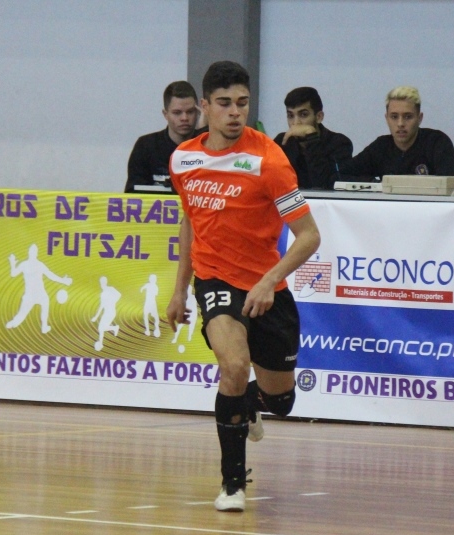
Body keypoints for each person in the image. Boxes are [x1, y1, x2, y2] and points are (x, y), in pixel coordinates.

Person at [166, 60, 321, 512]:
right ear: (204, 106)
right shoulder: (183, 159)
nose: (235, 112)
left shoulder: (269, 161)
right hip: (215, 278)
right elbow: (190, 222)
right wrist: (180, 289)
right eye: (224, 104)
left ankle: (251, 403)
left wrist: (270, 281)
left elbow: (309, 236)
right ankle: (232, 483)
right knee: (233, 366)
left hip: (265, 286)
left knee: (282, 400)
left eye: (242, 103)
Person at [338, 85, 454, 181]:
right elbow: (340, 174)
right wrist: (376, 184)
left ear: (419, 118)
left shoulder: (437, 143)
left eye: (408, 117)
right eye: (394, 117)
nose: (400, 123)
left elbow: (453, 185)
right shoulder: (380, 147)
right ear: (386, 118)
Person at [124, 81, 201, 193]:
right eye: (177, 113)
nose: (184, 118)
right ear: (165, 114)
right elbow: (132, 195)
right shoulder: (145, 146)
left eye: (190, 112)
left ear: (198, 113)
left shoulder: (209, 144)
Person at [272, 87, 353, 189]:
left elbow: (326, 185)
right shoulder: (282, 142)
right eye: (290, 116)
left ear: (319, 117)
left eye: (303, 115)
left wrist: (311, 137)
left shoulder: (339, 143)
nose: (296, 123)